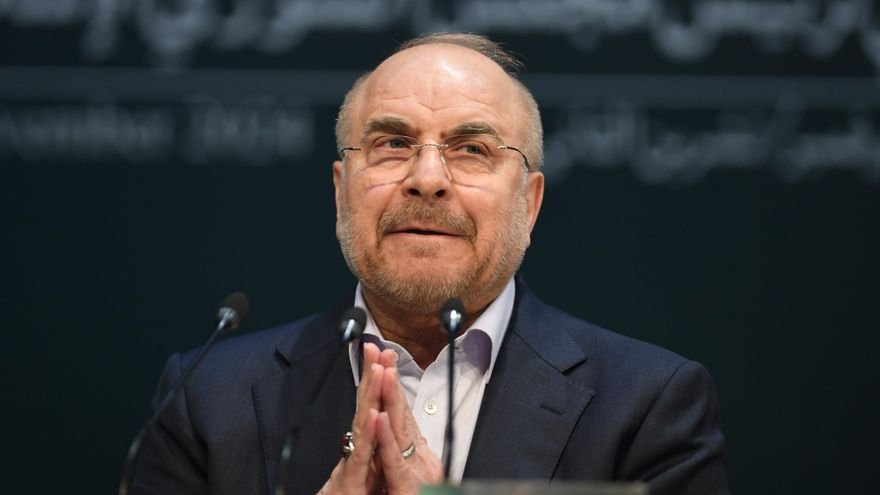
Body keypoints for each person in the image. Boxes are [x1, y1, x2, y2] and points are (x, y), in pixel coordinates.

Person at [130, 33, 728, 495]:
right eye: (392, 143)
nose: (427, 179)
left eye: (472, 150)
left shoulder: (647, 406)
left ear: (530, 201)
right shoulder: (206, 396)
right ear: (341, 191)